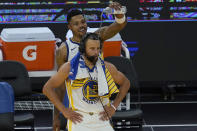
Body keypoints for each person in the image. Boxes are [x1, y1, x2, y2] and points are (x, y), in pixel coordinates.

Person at [54, 2, 127, 130]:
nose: (81, 26)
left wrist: (119, 14)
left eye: (83, 22)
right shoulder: (64, 50)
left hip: (101, 107)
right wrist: (57, 115)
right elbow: (59, 88)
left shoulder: (97, 37)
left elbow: (119, 25)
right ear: (69, 27)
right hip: (80, 110)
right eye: (76, 24)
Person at [43, 33, 130, 131]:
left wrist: (114, 107)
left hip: (102, 118)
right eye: (92, 49)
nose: (96, 52)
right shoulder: (69, 67)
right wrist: (64, 110)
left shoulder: (107, 67)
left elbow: (126, 83)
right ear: (83, 49)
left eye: (98, 48)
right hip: (79, 119)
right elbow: (47, 88)